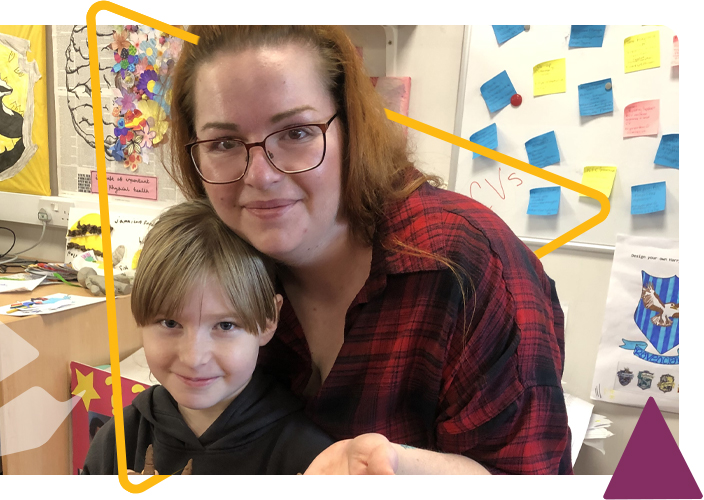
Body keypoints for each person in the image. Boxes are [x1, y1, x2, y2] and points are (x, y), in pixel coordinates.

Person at [163, 25, 573, 475]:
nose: (260, 176)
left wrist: (394, 466)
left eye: (297, 133)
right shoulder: (225, 258)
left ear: (350, 128)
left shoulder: (466, 266)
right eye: (223, 143)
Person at [82, 199, 334, 475]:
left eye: (225, 326)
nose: (194, 357)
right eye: (170, 322)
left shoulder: (310, 459)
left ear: (267, 321)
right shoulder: (117, 441)